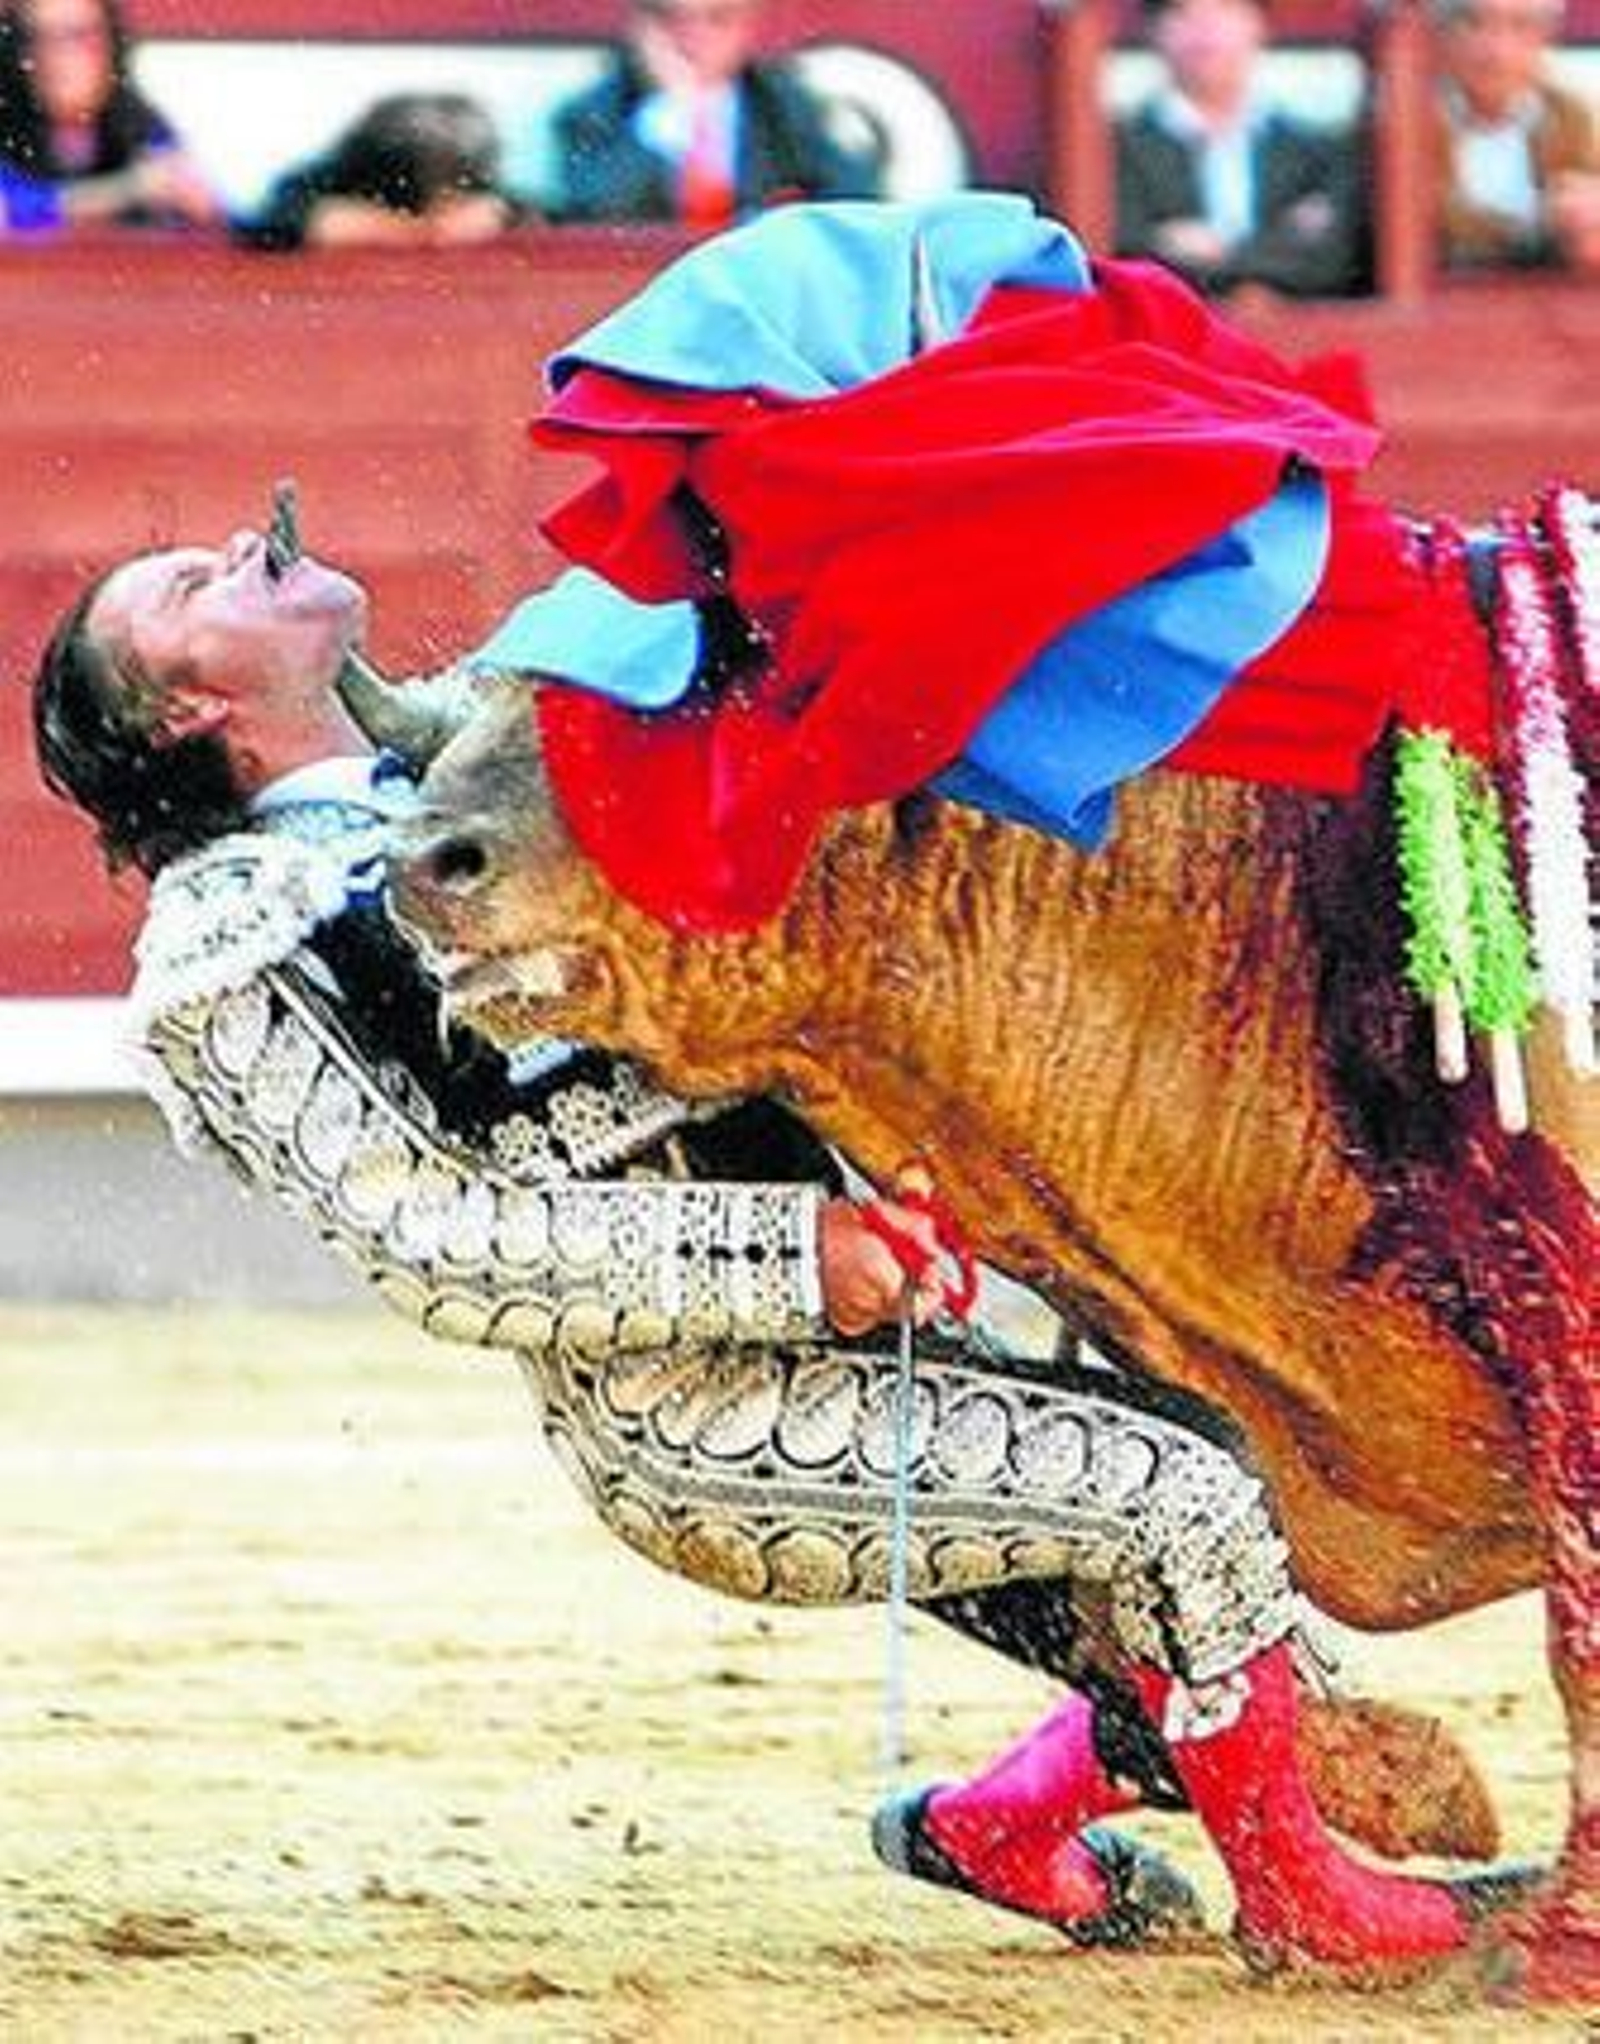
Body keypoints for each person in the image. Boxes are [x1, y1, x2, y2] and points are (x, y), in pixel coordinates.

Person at [30, 507, 1514, 1972]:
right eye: (182, 583)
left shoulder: (487, 755)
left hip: (861, 1314)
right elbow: (444, 1247)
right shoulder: (223, 955)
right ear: (186, 706)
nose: (234, 550)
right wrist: (795, 1253)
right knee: (1182, 1499)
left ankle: (998, 1827)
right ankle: (1304, 1902)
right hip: (701, 1414)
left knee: (1168, 1546)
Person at [1112, 0, 1367, 300]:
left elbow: (1334, 259)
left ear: (1259, 24)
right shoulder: (1113, 152)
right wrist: (1273, 250)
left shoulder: (1320, 152)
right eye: (1182, 12)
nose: (1204, 28)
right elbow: (1123, 255)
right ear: (1153, 30)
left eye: (1224, 7)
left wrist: (1217, 253)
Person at [551, 0, 878, 230]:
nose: (693, 36)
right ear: (638, 23)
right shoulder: (592, 113)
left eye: (717, 17)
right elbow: (591, 217)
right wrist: (671, 111)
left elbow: (857, 205)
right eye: (669, 17)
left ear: (748, 24)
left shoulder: (784, 108)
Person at [0, 0, 219, 232]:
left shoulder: (136, 121)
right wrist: (125, 191)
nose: (55, 56)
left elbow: (204, 205)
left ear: (111, 44)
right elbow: (9, 210)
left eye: (78, 35)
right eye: (34, 38)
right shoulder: (6, 123)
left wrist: (193, 200)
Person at [1429, 0, 1600, 273]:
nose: (1497, 50)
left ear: (1546, 37)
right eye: (1475, 24)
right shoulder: (1405, 120)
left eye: (1521, 26)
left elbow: (1585, 228)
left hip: (1543, 308)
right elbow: (1429, 228)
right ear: (1442, 31)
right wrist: (1540, 230)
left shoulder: (1569, 116)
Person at [237, 91, 521, 254]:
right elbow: (260, 225)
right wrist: (316, 223)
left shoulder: (484, 187)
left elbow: (546, 214)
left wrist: (501, 213)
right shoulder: (329, 178)